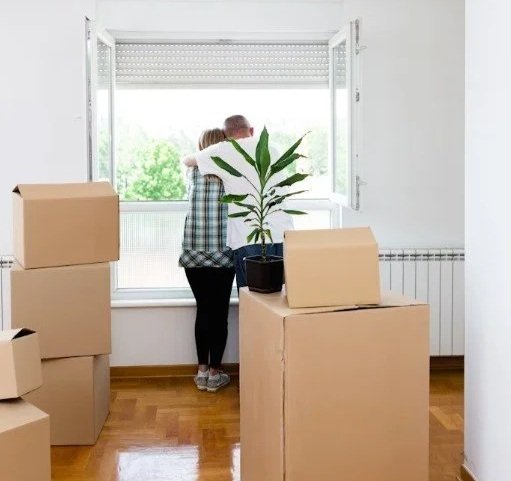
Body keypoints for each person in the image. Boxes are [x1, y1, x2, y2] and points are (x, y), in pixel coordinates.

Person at [183, 115, 294, 288]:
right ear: (252, 131)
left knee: (253, 300)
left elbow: (188, 160)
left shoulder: (224, 149)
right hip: (284, 235)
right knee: (279, 300)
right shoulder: (272, 149)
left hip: (249, 238)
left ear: (226, 137)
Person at [179, 128, 234, 392]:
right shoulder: (232, 174)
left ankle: (201, 371)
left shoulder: (191, 173)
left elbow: (188, 160)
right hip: (222, 253)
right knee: (219, 312)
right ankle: (215, 373)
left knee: (203, 309)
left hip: (193, 253)